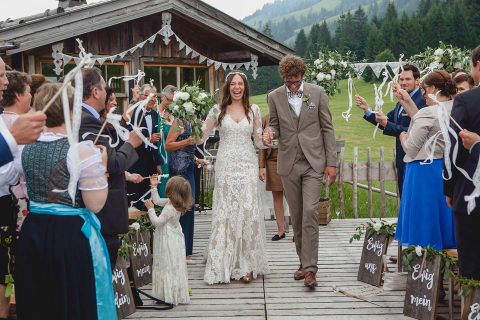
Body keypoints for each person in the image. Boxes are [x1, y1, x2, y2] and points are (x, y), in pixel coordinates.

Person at [15, 83, 116, 320]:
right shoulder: (81, 151)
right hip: (69, 237)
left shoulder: (24, 148)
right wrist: (101, 167)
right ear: (72, 112)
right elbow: (95, 204)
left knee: (39, 302)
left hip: (34, 233)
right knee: (71, 301)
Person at [263, 55, 336, 289]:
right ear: (283, 78)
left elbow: (327, 128)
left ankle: (311, 269)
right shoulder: (274, 96)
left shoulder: (317, 93)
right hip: (289, 164)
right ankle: (303, 264)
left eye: (295, 81)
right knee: (297, 216)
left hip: (314, 162)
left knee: (310, 212)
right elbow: (273, 123)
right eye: (288, 82)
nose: (292, 85)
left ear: (302, 76)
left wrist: (331, 163)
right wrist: (270, 133)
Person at [200, 70, 269, 284]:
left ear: (245, 88)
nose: (237, 87)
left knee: (248, 211)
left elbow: (258, 142)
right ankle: (225, 264)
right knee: (227, 211)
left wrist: (266, 138)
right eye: (233, 84)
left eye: (240, 84)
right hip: (226, 166)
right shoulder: (218, 110)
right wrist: (189, 126)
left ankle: (246, 265)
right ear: (228, 87)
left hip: (247, 164)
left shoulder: (253, 110)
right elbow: (200, 136)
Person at [77, 68, 142, 267]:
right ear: (96, 92)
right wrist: (131, 143)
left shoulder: (84, 117)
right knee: (102, 274)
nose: (107, 93)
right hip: (101, 213)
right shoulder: (88, 122)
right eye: (104, 88)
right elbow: (113, 163)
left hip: (96, 213)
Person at [394, 70, 457, 251]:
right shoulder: (456, 107)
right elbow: (422, 117)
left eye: (424, 88)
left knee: (424, 216)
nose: (422, 93)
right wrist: (405, 100)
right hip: (446, 169)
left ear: (434, 89)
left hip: (423, 171)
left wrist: (403, 138)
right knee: (442, 213)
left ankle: (424, 258)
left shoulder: (428, 112)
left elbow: (411, 148)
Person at [355, 64, 426, 197]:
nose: (403, 83)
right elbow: (386, 120)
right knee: (404, 197)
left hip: (416, 159)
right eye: (401, 79)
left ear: (417, 81)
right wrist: (367, 110)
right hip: (401, 158)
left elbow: (416, 131)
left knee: (414, 198)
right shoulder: (400, 101)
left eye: (408, 79)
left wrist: (387, 123)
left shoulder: (422, 100)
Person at [444, 45, 480, 280]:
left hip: (471, 193)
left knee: (471, 260)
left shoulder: (466, 101)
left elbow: (453, 150)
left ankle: (473, 308)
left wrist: (449, 188)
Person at [144, 175, 192, 305]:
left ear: (172, 190)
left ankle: (168, 294)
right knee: (172, 264)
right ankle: (171, 292)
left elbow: (157, 222)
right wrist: (154, 187)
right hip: (174, 237)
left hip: (167, 240)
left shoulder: (170, 208)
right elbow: (158, 200)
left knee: (166, 264)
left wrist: (150, 209)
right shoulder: (173, 202)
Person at [165, 106, 197, 262]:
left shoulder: (195, 123)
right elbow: (168, 145)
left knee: (189, 206)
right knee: (179, 207)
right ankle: (178, 249)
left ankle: (187, 251)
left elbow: (190, 149)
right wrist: (186, 141)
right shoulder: (179, 122)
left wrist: (197, 159)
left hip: (189, 167)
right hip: (178, 169)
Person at [0, 58, 45, 167]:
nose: (6, 81)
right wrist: (12, 138)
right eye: (1, 75)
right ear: (17, 95)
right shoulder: (23, 124)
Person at [126, 84, 163, 210]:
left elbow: (156, 143)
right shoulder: (133, 113)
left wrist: (158, 163)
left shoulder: (154, 114)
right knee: (135, 200)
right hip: (135, 162)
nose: (153, 100)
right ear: (142, 97)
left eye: (155, 97)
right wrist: (148, 139)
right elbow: (127, 137)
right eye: (150, 96)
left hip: (150, 163)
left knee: (149, 199)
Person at [259, 113, 286, 241]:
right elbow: (262, 144)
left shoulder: (289, 114)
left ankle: (299, 232)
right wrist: (261, 166)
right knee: (277, 196)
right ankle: (281, 230)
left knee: (294, 197)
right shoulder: (265, 119)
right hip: (272, 161)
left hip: (289, 160)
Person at [157, 85, 176, 197]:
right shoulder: (155, 113)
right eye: (168, 100)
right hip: (161, 156)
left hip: (173, 157)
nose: (170, 103)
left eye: (173, 101)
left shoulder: (175, 115)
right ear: (162, 97)